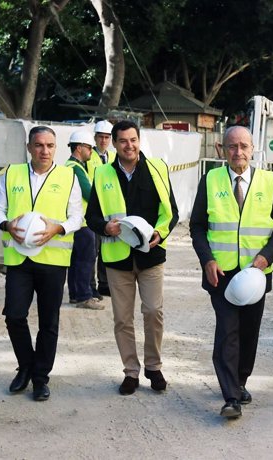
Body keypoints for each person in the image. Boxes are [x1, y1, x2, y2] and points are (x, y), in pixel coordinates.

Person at [190, 126, 273, 419]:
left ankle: (241, 381)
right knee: (227, 332)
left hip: (255, 276)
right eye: (232, 146)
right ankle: (230, 396)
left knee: (248, 333)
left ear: (252, 149)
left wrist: (265, 257)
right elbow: (197, 226)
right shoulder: (210, 180)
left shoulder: (269, 181)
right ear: (222, 150)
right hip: (220, 274)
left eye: (244, 146)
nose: (238, 152)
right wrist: (207, 260)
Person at [85, 120, 179, 393]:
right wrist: (105, 227)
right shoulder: (102, 174)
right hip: (118, 259)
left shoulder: (157, 168)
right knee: (123, 319)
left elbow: (170, 210)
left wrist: (160, 234)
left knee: (153, 311)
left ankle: (154, 367)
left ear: (140, 140)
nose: (129, 145)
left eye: (133, 139)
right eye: (123, 141)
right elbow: (91, 216)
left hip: (151, 254)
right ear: (113, 143)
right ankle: (131, 372)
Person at [0, 126, 83, 401]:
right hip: (19, 258)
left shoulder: (68, 176)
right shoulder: (12, 173)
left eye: (50, 145)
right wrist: (6, 224)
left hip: (53, 260)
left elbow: (77, 216)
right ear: (29, 147)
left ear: (56, 148)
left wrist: (58, 229)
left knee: (48, 322)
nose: (45, 151)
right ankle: (26, 366)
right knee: (15, 315)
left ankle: (41, 378)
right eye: (39, 145)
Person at [65, 130, 104, 310]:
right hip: (82, 222)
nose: (91, 152)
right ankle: (83, 296)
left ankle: (75, 294)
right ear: (79, 148)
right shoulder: (76, 168)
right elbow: (89, 193)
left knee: (76, 260)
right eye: (89, 148)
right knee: (85, 260)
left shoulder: (71, 166)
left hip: (77, 221)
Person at [87, 120, 116, 298]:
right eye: (101, 137)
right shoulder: (89, 157)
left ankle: (104, 283)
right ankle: (91, 286)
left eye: (106, 137)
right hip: (95, 210)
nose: (103, 141)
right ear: (95, 138)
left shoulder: (113, 157)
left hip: (110, 210)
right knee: (92, 252)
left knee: (106, 250)